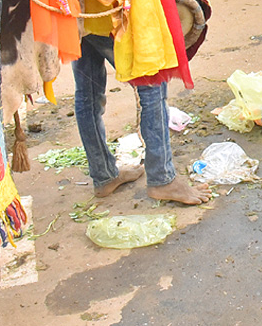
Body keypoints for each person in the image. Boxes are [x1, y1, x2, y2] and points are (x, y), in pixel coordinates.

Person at [73, 35, 210, 206]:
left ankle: (104, 175)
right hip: (109, 15)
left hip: (76, 14)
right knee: (152, 81)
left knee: (88, 91)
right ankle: (162, 179)